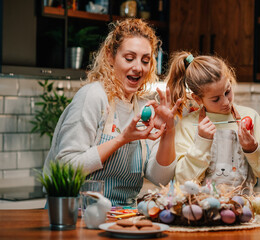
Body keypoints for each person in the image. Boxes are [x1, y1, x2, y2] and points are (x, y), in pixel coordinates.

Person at [44, 18, 181, 206]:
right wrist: (121, 139)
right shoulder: (93, 97)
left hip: (122, 217)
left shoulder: (144, 107)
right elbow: (65, 168)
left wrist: (169, 132)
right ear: (110, 56)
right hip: (79, 216)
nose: (138, 67)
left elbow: (160, 178)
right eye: (129, 58)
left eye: (145, 60)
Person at [166, 51, 260, 192]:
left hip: (242, 208)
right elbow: (182, 180)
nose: (226, 102)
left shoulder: (250, 117)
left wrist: (253, 149)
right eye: (216, 99)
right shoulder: (188, 125)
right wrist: (202, 142)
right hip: (201, 208)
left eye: (227, 92)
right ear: (198, 99)